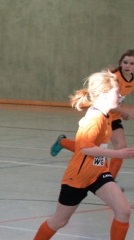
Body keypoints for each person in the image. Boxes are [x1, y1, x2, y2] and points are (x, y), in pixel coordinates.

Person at [22, 70, 134, 240]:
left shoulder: (106, 114)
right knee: (59, 221)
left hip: (98, 173)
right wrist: (118, 153)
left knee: (124, 210)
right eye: (116, 92)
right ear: (103, 94)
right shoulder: (94, 119)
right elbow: (85, 149)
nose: (119, 95)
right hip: (78, 178)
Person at [51, 50, 134, 181]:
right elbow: (107, 102)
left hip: (114, 117)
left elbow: (118, 100)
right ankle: (63, 142)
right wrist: (125, 110)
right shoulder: (113, 79)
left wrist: (122, 111)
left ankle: (110, 179)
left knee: (120, 147)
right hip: (103, 115)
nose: (128, 66)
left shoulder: (131, 80)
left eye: (131, 63)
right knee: (90, 147)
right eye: (125, 62)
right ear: (120, 63)